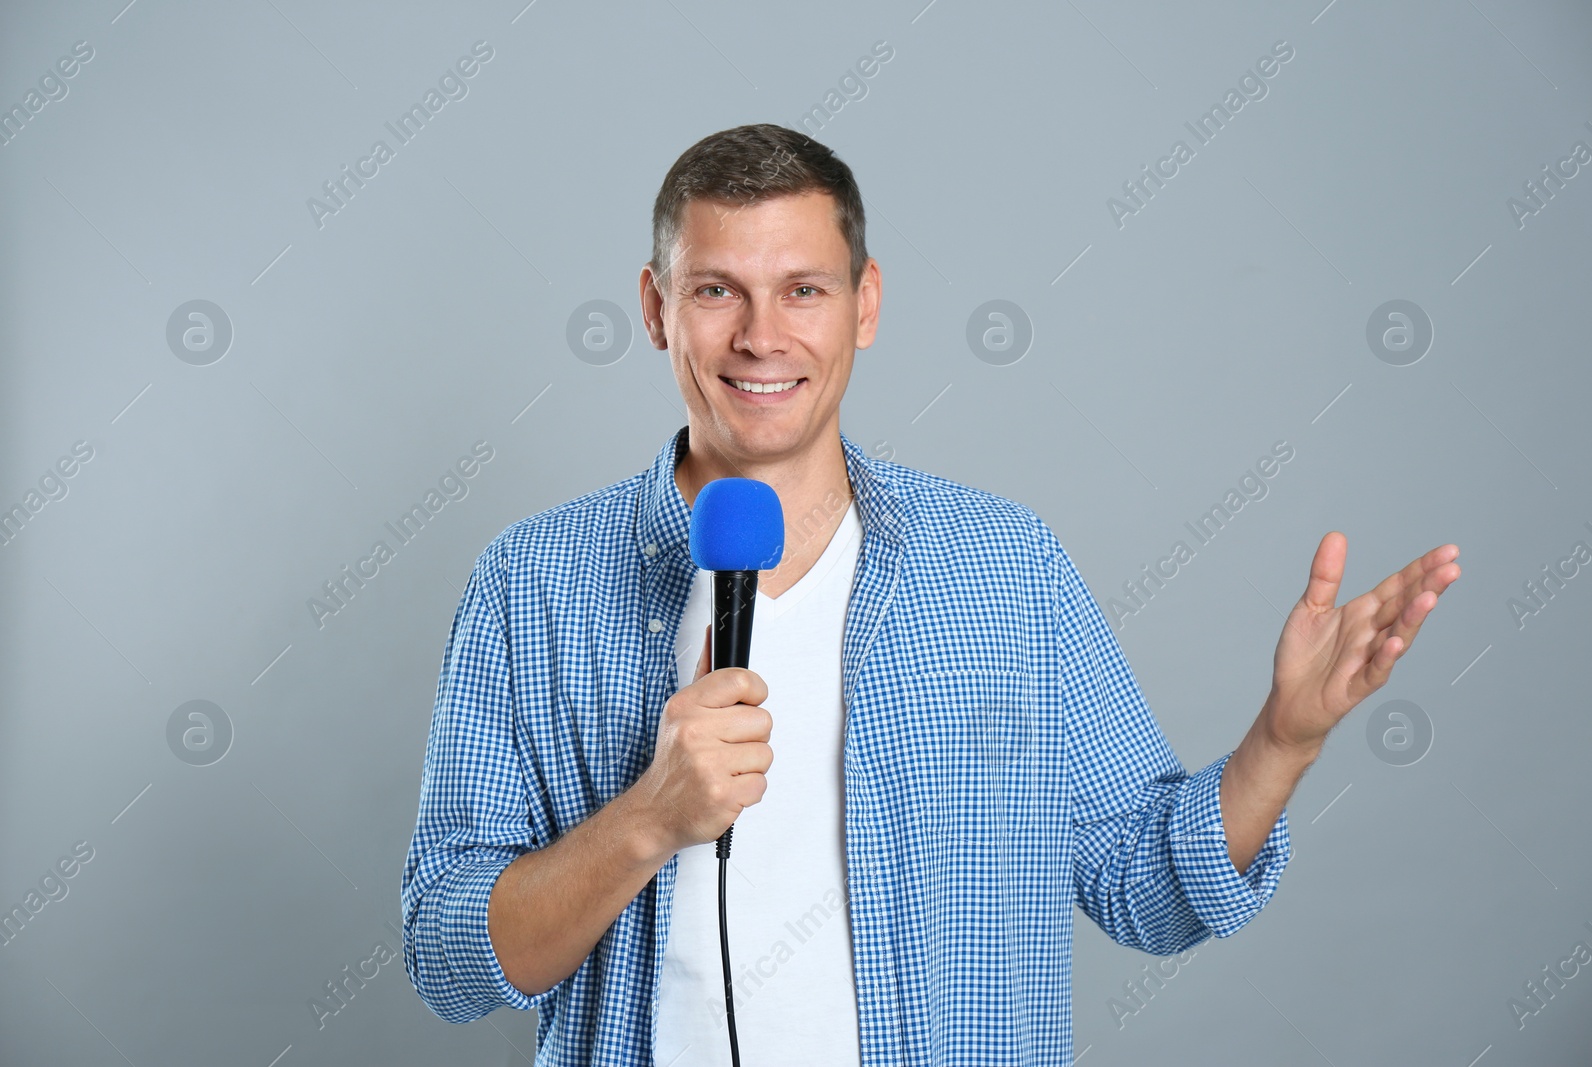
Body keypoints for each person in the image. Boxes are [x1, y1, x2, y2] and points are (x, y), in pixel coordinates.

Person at [401, 123, 1460, 1066]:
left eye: (803, 290)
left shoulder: (1003, 568)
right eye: (717, 289)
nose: (761, 336)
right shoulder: (532, 584)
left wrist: (1282, 739)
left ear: (864, 306)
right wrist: (644, 820)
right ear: (655, 308)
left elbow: (1149, 883)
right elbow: (451, 955)